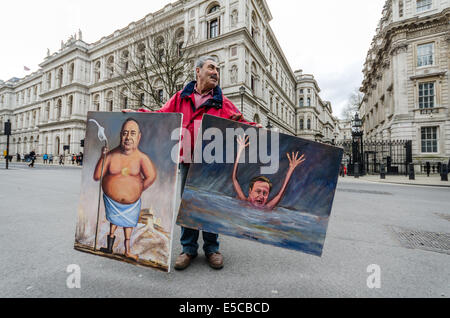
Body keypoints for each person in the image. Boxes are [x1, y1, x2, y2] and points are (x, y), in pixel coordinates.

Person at [126, 56, 261, 270]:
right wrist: (138, 115)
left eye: (218, 69)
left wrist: (255, 127)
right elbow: (161, 115)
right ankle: (188, 249)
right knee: (188, 205)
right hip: (187, 160)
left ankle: (211, 249)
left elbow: (241, 120)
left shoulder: (222, 101)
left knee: (209, 205)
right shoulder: (181, 97)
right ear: (197, 71)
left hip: (211, 163)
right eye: (211, 68)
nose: (216, 72)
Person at [93, 118, 157, 261]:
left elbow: (151, 176)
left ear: (138, 137)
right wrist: (102, 157)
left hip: (131, 205)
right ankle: (109, 247)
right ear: (121, 135)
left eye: (132, 133)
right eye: (125, 133)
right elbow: (97, 176)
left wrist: (138, 189)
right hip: (112, 202)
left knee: (128, 227)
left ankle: (127, 251)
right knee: (113, 223)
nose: (128, 137)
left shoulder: (142, 158)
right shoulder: (110, 155)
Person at [232, 135, 306, 210]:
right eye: (258, 191)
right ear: (250, 192)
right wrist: (240, 150)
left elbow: (280, 195)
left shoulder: (266, 208)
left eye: (265, 193)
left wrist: (291, 168)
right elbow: (234, 179)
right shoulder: (244, 201)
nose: (261, 196)